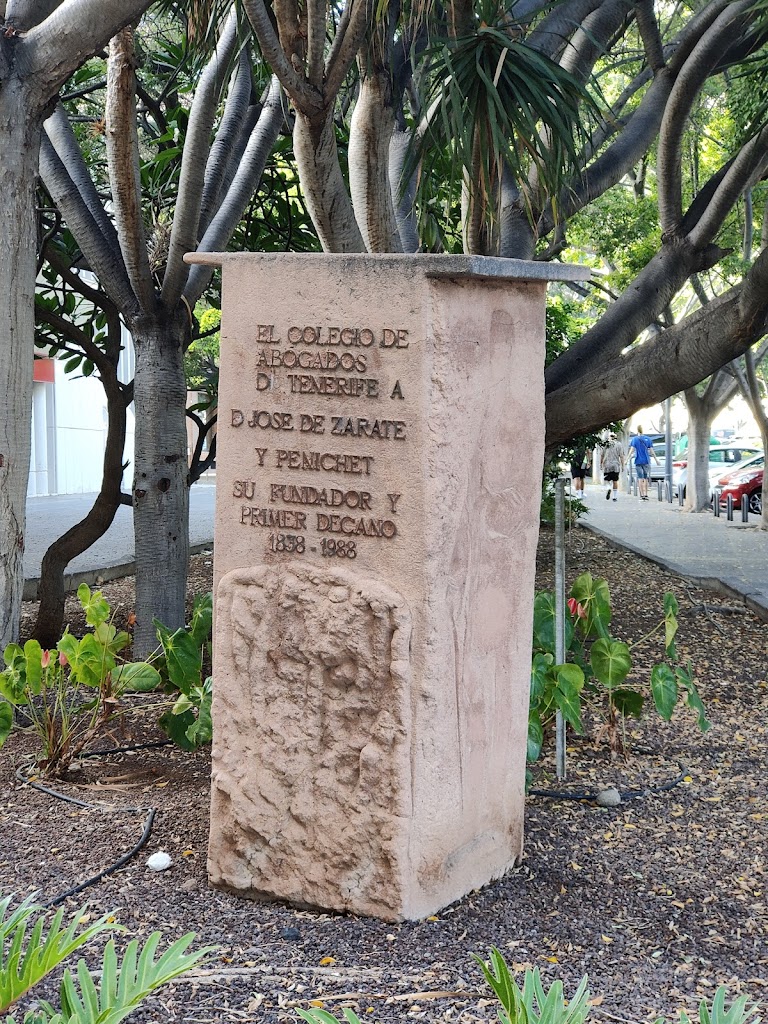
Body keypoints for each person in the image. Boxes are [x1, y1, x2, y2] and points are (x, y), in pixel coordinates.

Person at [628, 425, 658, 500]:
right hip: (646, 460)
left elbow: (631, 450)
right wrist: (656, 460)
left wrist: (626, 459)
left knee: (640, 478)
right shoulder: (648, 439)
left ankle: (641, 495)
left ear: (637, 430)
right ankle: (646, 494)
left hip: (638, 460)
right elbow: (651, 451)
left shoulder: (635, 439)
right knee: (646, 478)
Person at [600, 434, 625, 501]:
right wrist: (623, 465)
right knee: (615, 481)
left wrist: (601, 464)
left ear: (609, 437)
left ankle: (608, 487)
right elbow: (621, 456)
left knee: (607, 480)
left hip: (607, 465)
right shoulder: (619, 444)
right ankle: (614, 497)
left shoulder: (605, 444)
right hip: (616, 465)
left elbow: (602, 455)